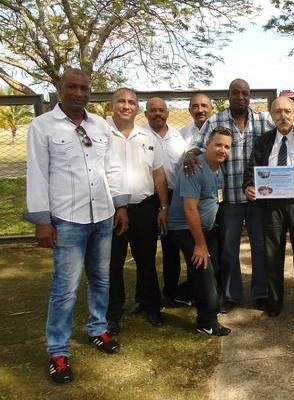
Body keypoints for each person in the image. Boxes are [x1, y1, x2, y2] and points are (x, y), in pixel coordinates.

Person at [24, 68, 128, 384]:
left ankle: (98, 329)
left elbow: (112, 167)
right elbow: (37, 174)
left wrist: (120, 205)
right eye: (72, 87)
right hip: (68, 219)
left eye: (84, 88)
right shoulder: (43, 126)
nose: (79, 93)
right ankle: (58, 351)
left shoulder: (100, 125)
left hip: (103, 215)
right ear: (60, 88)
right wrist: (42, 221)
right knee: (65, 288)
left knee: (101, 279)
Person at [183, 79, 274, 312]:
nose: (240, 97)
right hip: (228, 198)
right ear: (228, 95)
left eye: (245, 93)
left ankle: (261, 293)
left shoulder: (263, 121)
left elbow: (282, 136)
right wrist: (190, 154)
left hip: (257, 196)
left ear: (249, 96)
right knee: (229, 249)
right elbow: (199, 145)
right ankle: (232, 295)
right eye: (235, 93)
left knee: (259, 246)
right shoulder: (215, 121)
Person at [242, 96, 294, 317]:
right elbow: (251, 169)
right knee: (273, 254)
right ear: (271, 115)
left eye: (287, 111)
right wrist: (248, 186)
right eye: (277, 112)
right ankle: (274, 301)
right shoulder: (264, 141)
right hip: (271, 205)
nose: (282, 116)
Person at [106, 88, 170, 332]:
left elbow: (158, 174)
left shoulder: (148, 137)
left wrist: (163, 206)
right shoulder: (102, 133)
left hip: (144, 208)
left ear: (137, 108)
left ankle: (151, 305)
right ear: (112, 105)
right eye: (121, 101)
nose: (126, 106)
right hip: (111, 210)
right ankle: (113, 313)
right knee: (113, 263)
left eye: (131, 102)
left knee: (146, 260)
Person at [167, 127, 234, 336]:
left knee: (213, 269)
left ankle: (180, 294)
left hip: (206, 228)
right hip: (184, 228)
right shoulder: (194, 169)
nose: (223, 150)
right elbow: (189, 209)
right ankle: (207, 322)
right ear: (207, 145)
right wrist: (200, 244)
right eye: (218, 145)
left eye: (227, 147)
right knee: (204, 269)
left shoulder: (218, 167)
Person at [143, 97, 190, 306]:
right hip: (147, 199)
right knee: (145, 250)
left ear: (167, 113)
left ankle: (171, 292)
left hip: (172, 196)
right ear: (146, 114)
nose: (157, 114)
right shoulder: (140, 135)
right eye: (153, 110)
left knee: (171, 247)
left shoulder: (178, 137)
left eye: (161, 110)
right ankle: (145, 297)